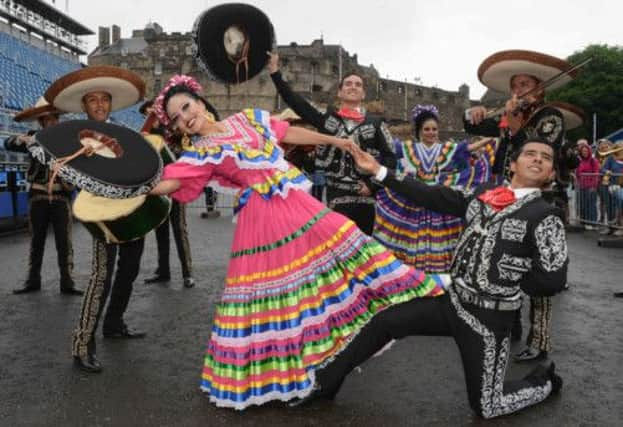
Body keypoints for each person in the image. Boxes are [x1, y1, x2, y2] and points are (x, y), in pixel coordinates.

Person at [149, 74, 446, 410]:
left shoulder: (247, 119)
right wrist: (133, 183)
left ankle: (419, 286)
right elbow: (168, 184)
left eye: (186, 106)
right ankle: (284, 378)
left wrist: (335, 141)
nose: (185, 116)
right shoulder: (198, 155)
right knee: (279, 299)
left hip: (294, 204)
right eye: (176, 117)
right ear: (177, 127)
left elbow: (287, 132)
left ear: (200, 101)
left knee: (347, 243)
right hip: (261, 223)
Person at [302, 137, 568, 419]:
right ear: (513, 164)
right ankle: (323, 383)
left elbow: (552, 280)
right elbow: (433, 195)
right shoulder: (487, 194)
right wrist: (379, 171)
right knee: (385, 321)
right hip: (452, 302)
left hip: (489, 319)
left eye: (546, 157)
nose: (537, 159)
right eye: (530, 153)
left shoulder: (546, 215)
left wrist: (514, 272)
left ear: (551, 173)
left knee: (488, 406)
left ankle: (544, 382)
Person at [464, 50, 578, 362]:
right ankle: (510, 324)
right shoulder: (509, 115)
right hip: (508, 196)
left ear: (539, 88)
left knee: (541, 271)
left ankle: (540, 340)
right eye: (515, 85)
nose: (518, 90)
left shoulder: (549, 116)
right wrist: (473, 112)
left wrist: (513, 122)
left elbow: (538, 151)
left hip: (541, 200)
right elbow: (473, 127)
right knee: (507, 262)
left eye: (525, 83)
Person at [44, 65, 148, 373]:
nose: (100, 104)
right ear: (84, 106)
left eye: (104, 99)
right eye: (93, 100)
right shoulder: (74, 140)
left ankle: (114, 323)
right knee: (101, 277)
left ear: (111, 104)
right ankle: (81, 346)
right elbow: (65, 175)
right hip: (99, 214)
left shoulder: (126, 135)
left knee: (130, 268)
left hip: (131, 211)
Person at [267, 52, 396, 235]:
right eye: (348, 84)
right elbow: (296, 102)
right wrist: (274, 71)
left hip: (365, 200)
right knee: (338, 255)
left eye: (358, 85)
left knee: (364, 255)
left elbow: (391, 159)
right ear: (340, 91)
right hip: (336, 198)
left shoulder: (376, 123)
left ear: (363, 93)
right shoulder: (327, 120)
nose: (353, 87)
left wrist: (372, 185)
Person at [374, 104, 496, 273]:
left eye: (434, 129)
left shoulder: (446, 148)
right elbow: (387, 149)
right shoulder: (408, 147)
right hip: (414, 197)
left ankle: (439, 272)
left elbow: (468, 148)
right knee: (411, 235)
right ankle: (411, 271)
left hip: (439, 199)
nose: (431, 132)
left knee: (441, 236)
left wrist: (493, 139)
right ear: (419, 131)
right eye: (427, 129)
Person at [5, 98, 82, 295]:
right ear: (42, 122)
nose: (52, 122)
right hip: (38, 195)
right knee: (36, 241)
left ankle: (67, 283)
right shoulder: (33, 138)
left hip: (61, 196)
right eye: (48, 120)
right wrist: (19, 139)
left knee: (64, 242)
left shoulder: (68, 140)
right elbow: (8, 144)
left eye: (54, 118)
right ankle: (33, 281)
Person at [139, 100, 195, 288]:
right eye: (147, 114)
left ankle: (188, 273)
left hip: (176, 189)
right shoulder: (147, 136)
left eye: (152, 113)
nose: (150, 117)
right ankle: (163, 271)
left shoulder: (173, 131)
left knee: (180, 231)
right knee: (160, 231)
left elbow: (185, 151)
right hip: (157, 190)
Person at [575, 140, 600, 229]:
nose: (584, 152)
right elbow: (577, 173)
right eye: (583, 151)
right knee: (583, 204)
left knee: (591, 205)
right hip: (581, 186)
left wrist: (594, 186)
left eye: (586, 151)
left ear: (589, 151)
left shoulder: (593, 161)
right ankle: (584, 222)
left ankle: (593, 222)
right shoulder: (579, 161)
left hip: (591, 186)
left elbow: (596, 174)